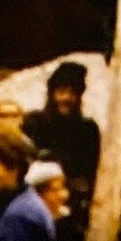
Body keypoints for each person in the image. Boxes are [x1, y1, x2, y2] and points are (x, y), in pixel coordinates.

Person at [23, 61, 101, 212]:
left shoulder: (88, 129)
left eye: (73, 93)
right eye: (62, 91)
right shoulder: (34, 123)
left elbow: (90, 174)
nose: (67, 98)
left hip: (72, 202)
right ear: (52, 93)